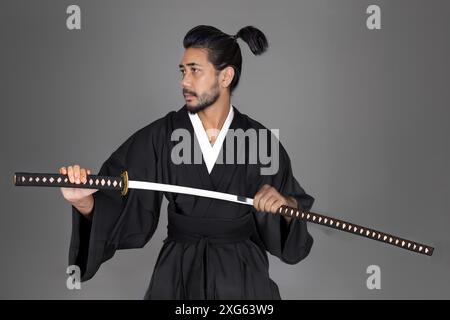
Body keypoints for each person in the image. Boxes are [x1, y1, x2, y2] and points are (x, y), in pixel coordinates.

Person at [59, 25, 314, 299]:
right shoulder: (161, 136)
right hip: (177, 274)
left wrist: (286, 207)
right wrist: (84, 202)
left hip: (243, 276)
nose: (184, 82)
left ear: (226, 76)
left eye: (195, 70)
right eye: (183, 71)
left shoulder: (260, 141)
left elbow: (292, 229)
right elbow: (119, 196)